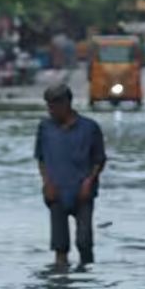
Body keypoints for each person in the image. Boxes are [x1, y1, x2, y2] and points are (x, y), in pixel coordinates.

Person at [34, 84, 107, 267]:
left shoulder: (90, 128)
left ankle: (86, 279)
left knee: (84, 242)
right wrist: (46, 182)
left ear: (66, 104)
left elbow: (99, 160)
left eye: (54, 106)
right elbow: (41, 158)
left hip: (82, 191)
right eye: (48, 106)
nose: (50, 110)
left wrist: (89, 182)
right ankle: (61, 281)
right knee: (60, 247)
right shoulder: (45, 128)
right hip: (56, 192)